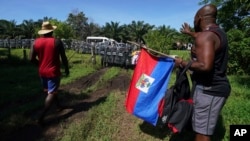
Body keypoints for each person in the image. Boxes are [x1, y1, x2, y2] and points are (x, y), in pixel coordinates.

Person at [175, 4, 231, 141]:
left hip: (210, 90)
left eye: (194, 18)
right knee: (201, 126)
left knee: (203, 133)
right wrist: (190, 33)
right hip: (214, 88)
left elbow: (205, 66)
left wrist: (182, 63)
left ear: (199, 18)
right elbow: (201, 36)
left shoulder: (205, 37)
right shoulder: (217, 33)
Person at [30, 21, 69, 124]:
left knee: (49, 90)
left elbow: (31, 59)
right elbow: (63, 57)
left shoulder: (35, 42)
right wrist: (66, 68)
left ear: (43, 32)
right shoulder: (57, 42)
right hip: (53, 71)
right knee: (51, 92)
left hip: (42, 71)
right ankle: (41, 117)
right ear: (52, 31)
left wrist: (40, 64)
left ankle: (58, 106)